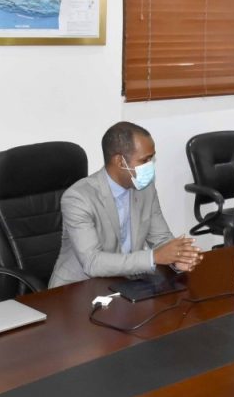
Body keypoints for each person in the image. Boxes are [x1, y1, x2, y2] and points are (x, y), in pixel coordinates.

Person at [49, 122, 202, 288]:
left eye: (152, 158)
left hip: (125, 284)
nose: (150, 166)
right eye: (145, 160)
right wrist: (153, 257)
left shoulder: (145, 188)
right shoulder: (78, 198)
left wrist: (178, 258)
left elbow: (161, 239)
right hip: (76, 289)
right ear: (120, 162)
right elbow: (92, 262)